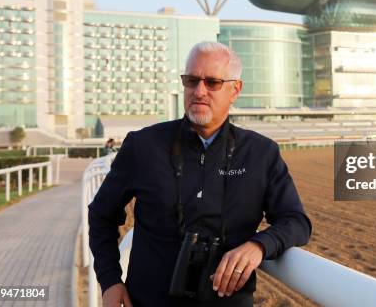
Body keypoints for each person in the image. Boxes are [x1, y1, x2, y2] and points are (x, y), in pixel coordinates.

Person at [88, 42, 312, 307]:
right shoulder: (143, 145)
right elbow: (101, 215)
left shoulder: (261, 153)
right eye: (191, 80)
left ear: (235, 90)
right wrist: (111, 281)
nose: (199, 91)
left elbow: (297, 221)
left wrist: (259, 246)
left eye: (212, 82)